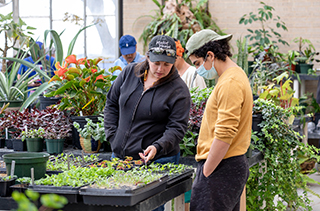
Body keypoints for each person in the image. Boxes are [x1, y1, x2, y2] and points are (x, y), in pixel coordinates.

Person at [104, 35, 191, 211]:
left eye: (167, 64)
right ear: (148, 56)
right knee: (118, 206)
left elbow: (177, 128)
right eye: (156, 62)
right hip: (121, 157)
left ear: (174, 61)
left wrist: (157, 147)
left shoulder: (179, 90)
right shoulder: (129, 73)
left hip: (156, 160)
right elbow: (111, 104)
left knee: (149, 208)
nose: (160, 68)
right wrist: (113, 136)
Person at [185, 29, 252, 211]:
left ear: (210, 55)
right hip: (226, 165)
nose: (198, 70)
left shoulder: (230, 82)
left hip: (222, 166)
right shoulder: (232, 77)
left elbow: (224, 134)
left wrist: (206, 171)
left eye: (197, 63)